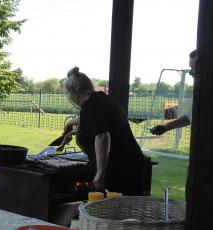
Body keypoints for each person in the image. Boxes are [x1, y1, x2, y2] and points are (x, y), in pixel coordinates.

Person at [63, 66, 145, 195]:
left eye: (68, 94)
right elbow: (92, 119)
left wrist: (100, 173)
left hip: (118, 170)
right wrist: (70, 123)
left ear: (75, 93)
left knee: (112, 212)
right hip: (132, 165)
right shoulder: (102, 99)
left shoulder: (89, 106)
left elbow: (102, 136)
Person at [150, 50, 197, 136]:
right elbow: (189, 118)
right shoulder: (199, 92)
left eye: (194, 68)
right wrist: (165, 127)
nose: (190, 72)